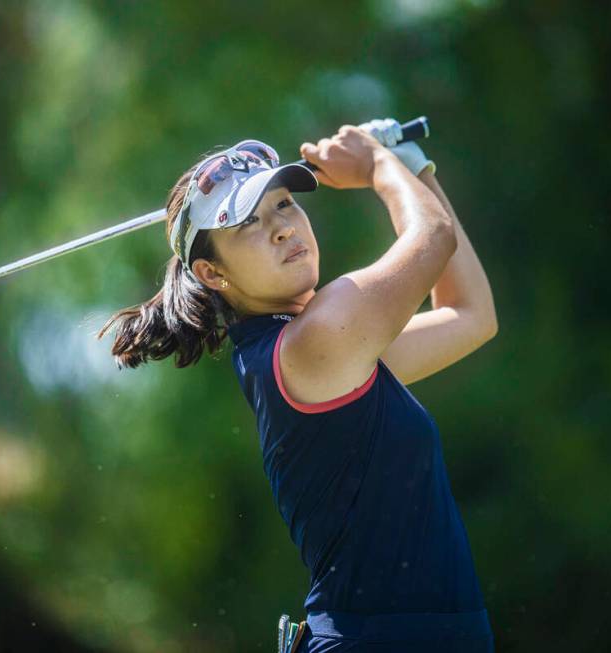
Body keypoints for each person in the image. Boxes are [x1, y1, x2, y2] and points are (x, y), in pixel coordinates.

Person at [98, 118, 498, 652]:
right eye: (248, 224)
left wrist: (412, 164)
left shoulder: (320, 349)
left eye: (284, 204)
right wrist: (378, 164)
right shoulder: (317, 341)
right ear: (213, 274)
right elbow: (434, 237)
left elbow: (469, 315)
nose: (283, 227)